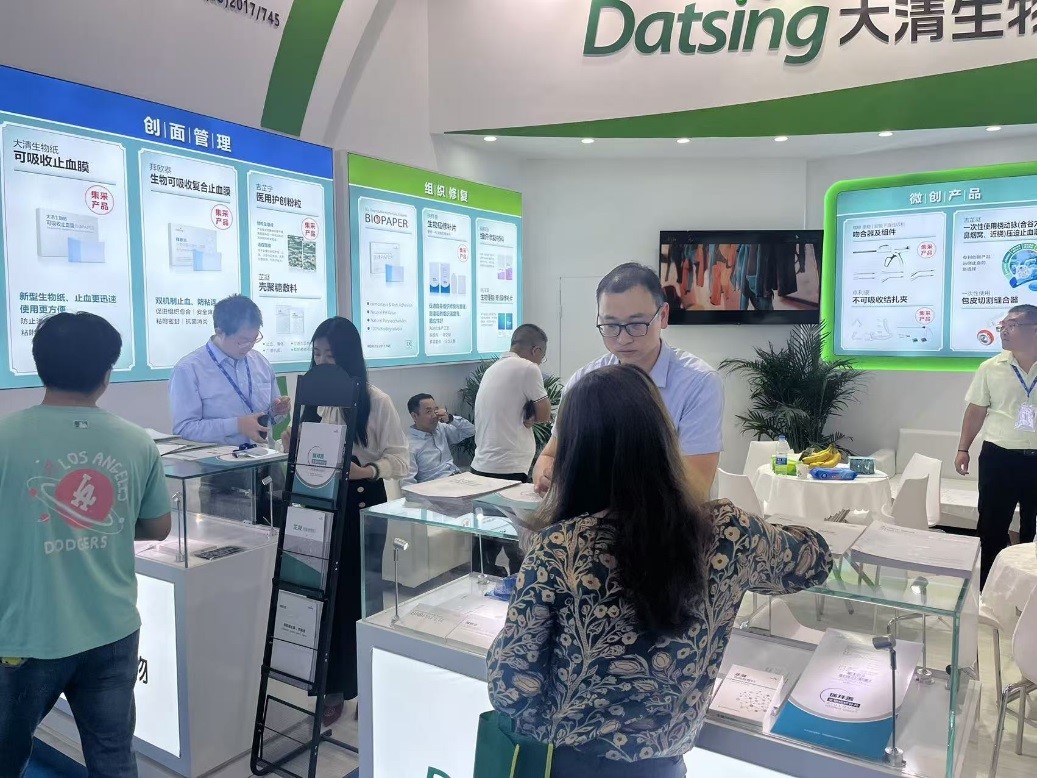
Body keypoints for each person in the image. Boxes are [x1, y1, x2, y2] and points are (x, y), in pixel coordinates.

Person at [487, 365, 832, 777]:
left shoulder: (559, 547)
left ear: (576, 451)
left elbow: (512, 687)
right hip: (663, 765)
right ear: (664, 436)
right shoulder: (729, 532)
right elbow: (814, 561)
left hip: (567, 764)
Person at [0, 313, 172, 776]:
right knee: (113, 758)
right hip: (112, 629)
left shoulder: (5, 438)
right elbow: (158, 526)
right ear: (106, 374)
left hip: (24, 635)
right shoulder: (136, 441)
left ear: (39, 366)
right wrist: (100, 527)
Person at [293, 317, 409, 726]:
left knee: (362, 596)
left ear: (348, 357)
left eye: (330, 355)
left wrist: (370, 470)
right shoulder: (313, 397)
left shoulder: (376, 400)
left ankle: (367, 684)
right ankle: (331, 688)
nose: (322, 362)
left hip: (362, 503)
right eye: (317, 354)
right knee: (322, 596)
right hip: (319, 503)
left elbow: (401, 459)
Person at [533, 262, 723, 498]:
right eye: (610, 325)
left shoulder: (698, 383)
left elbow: (695, 488)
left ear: (663, 316)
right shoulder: (584, 381)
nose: (623, 339)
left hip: (668, 519)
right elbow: (549, 455)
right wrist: (546, 474)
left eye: (636, 324)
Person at [169, 294, 291, 522]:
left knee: (279, 536)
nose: (249, 346)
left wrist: (277, 412)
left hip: (268, 466)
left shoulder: (260, 362)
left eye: (254, 338)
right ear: (220, 331)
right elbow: (184, 428)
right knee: (232, 540)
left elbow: (268, 419)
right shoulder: (190, 369)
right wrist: (237, 425)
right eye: (243, 340)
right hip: (222, 474)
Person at [956, 303, 1037, 587]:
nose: (1004, 330)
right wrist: (963, 448)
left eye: (1012, 325)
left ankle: (1028, 591)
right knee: (991, 526)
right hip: (999, 458)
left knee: (1031, 530)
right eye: (1002, 325)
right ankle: (988, 590)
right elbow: (976, 411)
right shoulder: (991, 368)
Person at [471, 323, 551, 574]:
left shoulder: (492, 369)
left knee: (484, 538)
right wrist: (532, 416)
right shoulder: (528, 368)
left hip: (481, 466)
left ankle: (481, 584)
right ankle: (518, 586)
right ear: (536, 350)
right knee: (515, 538)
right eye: (542, 356)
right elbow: (545, 414)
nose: (540, 362)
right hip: (508, 467)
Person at [403, 393, 475, 486]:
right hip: (437, 488)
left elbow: (471, 431)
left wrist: (450, 419)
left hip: (458, 479)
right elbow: (408, 484)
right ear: (414, 416)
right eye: (428, 411)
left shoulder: (441, 428)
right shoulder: (408, 445)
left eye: (436, 410)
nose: (435, 415)